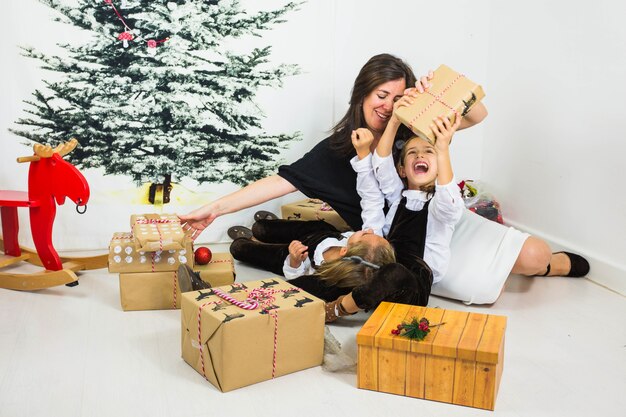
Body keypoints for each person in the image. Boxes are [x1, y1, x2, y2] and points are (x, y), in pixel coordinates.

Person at [180, 53, 589, 306]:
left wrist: (441, 92)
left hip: (447, 222)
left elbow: (478, 115)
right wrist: (212, 209)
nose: (388, 105)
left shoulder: (414, 133)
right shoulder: (337, 151)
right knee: (495, 289)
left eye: (398, 97)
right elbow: (278, 182)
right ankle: (261, 237)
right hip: (407, 250)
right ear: (363, 93)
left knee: (536, 257)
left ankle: (553, 266)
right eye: (381, 95)